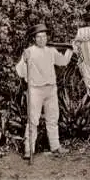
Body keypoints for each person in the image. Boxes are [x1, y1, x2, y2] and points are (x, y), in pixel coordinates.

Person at [15, 23, 73, 159]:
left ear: (47, 37)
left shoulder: (51, 51)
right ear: (34, 39)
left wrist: (71, 49)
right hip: (35, 90)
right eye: (39, 37)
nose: (42, 39)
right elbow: (20, 71)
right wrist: (24, 60)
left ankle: (55, 146)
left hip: (51, 89)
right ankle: (29, 150)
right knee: (33, 120)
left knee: (53, 118)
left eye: (44, 36)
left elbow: (63, 62)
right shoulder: (29, 51)